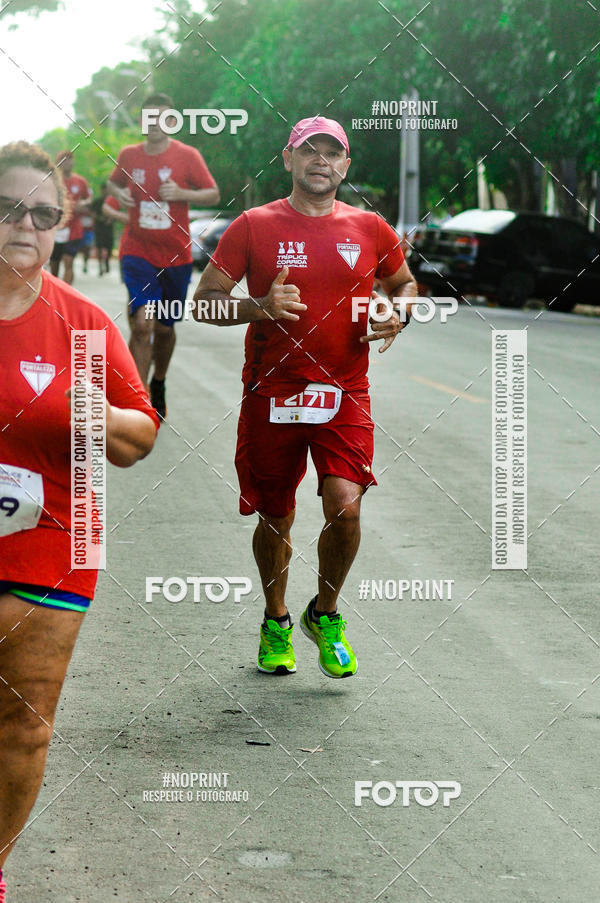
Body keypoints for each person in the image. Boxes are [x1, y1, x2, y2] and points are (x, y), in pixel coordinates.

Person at [193, 116, 417, 679]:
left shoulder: (371, 227)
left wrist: (398, 313)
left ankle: (326, 613)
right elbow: (205, 302)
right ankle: (276, 620)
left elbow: (404, 283)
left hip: (344, 393)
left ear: (346, 165)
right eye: (308, 150)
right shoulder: (252, 225)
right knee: (276, 515)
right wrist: (258, 307)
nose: (321, 160)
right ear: (288, 159)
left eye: (332, 152)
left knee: (345, 505)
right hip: (272, 393)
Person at [0, 141, 159, 902]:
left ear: (61, 226)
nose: (23, 224)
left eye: (41, 212)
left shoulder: (84, 324)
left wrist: (92, 412)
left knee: (22, 725)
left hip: (57, 537)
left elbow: (141, 436)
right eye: (8, 208)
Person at [107, 92, 220, 419]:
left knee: (166, 329)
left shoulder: (187, 156)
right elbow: (112, 185)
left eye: (162, 118)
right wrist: (121, 195)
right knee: (143, 324)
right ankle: (136, 402)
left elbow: (214, 193)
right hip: (137, 251)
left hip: (175, 257)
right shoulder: (129, 155)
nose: (154, 125)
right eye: (149, 118)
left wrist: (183, 193)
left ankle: (158, 381)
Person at [49, 149, 91, 285]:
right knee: (54, 264)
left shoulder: (80, 181)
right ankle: (55, 290)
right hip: (55, 228)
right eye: (64, 159)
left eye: (70, 159)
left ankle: (67, 293)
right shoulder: (52, 181)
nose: (68, 162)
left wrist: (83, 203)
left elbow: (89, 198)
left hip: (74, 229)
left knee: (69, 261)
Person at [89, 182, 125, 276]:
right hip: (99, 228)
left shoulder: (112, 201)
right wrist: (99, 219)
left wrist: (111, 219)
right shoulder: (97, 201)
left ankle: (107, 263)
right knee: (99, 246)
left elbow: (118, 212)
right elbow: (91, 212)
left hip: (109, 228)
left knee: (109, 246)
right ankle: (101, 266)